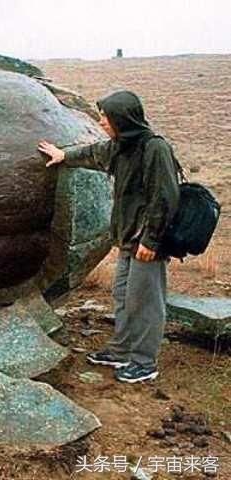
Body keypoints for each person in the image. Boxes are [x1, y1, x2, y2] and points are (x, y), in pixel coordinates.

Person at [38, 90, 179, 383]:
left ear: (122, 119)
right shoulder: (122, 145)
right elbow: (93, 153)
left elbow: (165, 197)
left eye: (106, 116)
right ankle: (121, 350)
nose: (102, 121)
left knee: (146, 302)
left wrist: (151, 241)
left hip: (146, 242)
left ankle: (144, 362)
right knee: (124, 296)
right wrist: (63, 156)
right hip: (128, 239)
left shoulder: (155, 149)